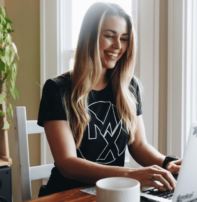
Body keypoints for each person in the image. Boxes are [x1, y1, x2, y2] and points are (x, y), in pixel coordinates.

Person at [37, 2, 181, 196]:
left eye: (124, 38)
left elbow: (138, 145)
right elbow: (67, 164)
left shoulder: (129, 87)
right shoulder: (57, 89)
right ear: (90, 37)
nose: (118, 46)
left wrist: (167, 163)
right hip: (68, 194)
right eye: (109, 36)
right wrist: (132, 174)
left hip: (114, 194)